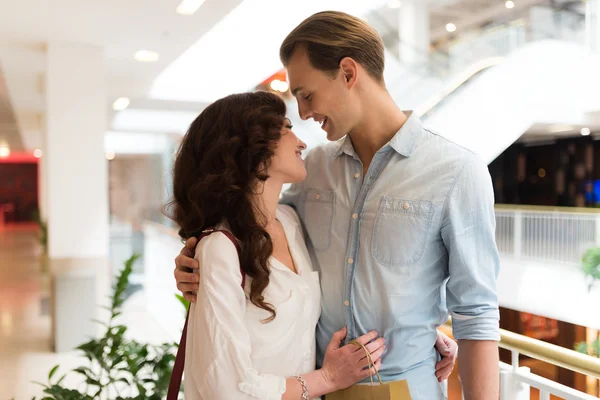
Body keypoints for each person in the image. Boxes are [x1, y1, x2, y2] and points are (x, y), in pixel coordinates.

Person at [175, 11, 500, 400]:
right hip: (318, 387)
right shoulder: (310, 170)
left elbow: (477, 316)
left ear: (348, 73)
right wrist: (195, 260)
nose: (303, 114)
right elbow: (250, 226)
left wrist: (421, 334)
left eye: (306, 95)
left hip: (405, 388)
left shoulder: (456, 171)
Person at [167, 91, 387, 400]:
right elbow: (226, 389)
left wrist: (419, 332)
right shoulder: (220, 249)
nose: (301, 142)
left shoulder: (291, 221)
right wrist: (326, 378)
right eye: (286, 128)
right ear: (252, 150)